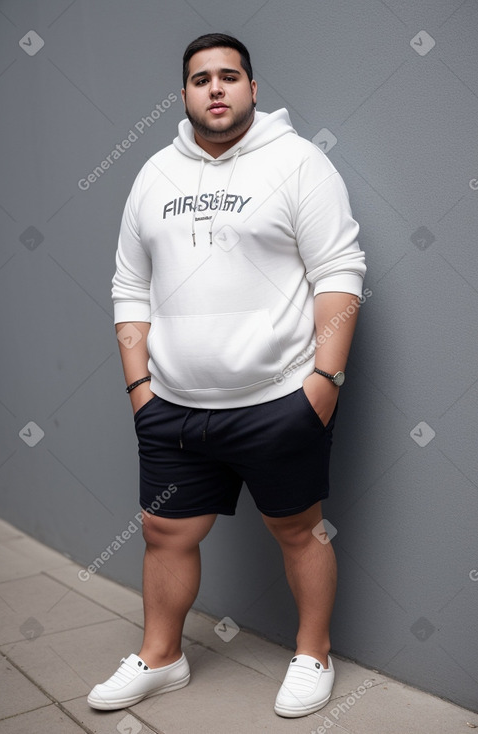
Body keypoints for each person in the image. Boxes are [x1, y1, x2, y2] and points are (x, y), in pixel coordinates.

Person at [87, 32, 366, 719]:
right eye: (200, 78)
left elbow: (339, 273)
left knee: (299, 530)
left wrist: (322, 382)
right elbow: (130, 284)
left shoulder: (299, 163)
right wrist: (139, 389)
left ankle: (312, 653)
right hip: (173, 407)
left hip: (277, 400)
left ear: (251, 88)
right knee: (163, 532)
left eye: (229, 76)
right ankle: (162, 657)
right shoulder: (153, 173)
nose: (215, 88)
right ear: (183, 94)